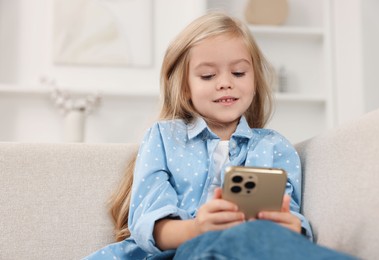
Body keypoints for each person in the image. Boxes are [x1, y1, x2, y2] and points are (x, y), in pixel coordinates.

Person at [85, 12, 355, 260]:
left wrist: (292, 226)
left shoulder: (274, 146)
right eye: (207, 75)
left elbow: (288, 214)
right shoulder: (164, 138)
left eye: (238, 72)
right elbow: (149, 222)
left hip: (255, 247)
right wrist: (197, 228)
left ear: (255, 81)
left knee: (257, 238)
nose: (226, 82)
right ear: (185, 87)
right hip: (186, 251)